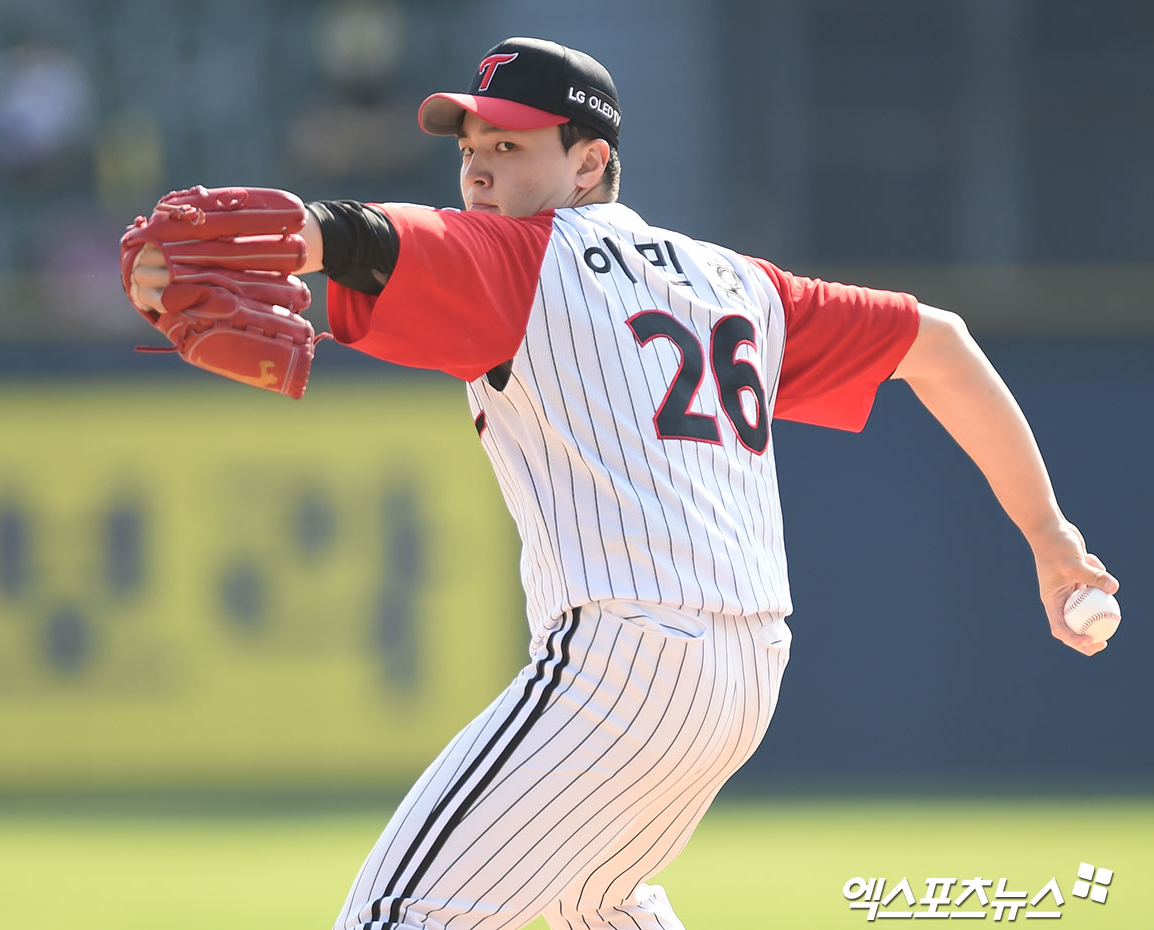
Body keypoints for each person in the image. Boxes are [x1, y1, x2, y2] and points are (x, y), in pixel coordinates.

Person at [126, 36, 1119, 930]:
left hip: (622, 661)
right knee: (589, 906)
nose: (479, 165)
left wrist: (226, 250)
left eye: (511, 147)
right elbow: (939, 344)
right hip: (743, 673)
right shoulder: (740, 283)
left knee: (394, 916)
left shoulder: (521, 257)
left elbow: (354, 237)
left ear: (590, 162)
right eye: (471, 145)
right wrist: (1049, 532)